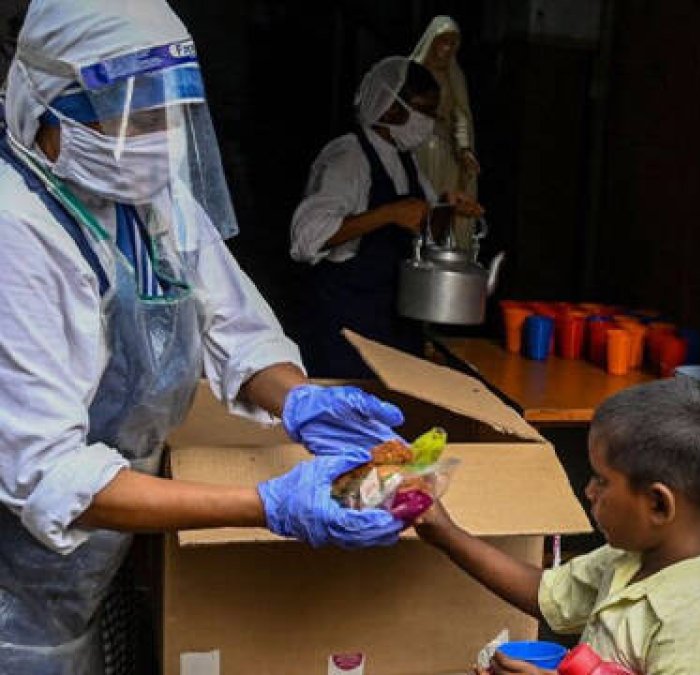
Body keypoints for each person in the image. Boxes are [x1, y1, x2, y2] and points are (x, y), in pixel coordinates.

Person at [0, 2, 410, 672]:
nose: (156, 137)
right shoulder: (14, 230)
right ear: (47, 108)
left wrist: (299, 401)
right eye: (131, 111)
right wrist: (264, 504)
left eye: (166, 110)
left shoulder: (146, 194)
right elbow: (49, 473)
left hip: (86, 570)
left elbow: (233, 326)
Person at [414, 378, 700, 675]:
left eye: (602, 480)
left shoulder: (692, 629)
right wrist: (446, 535)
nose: (588, 491)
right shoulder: (633, 558)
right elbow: (550, 595)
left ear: (658, 505)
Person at [290, 55, 482, 376]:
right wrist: (387, 214)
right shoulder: (348, 157)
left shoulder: (405, 161)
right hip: (347, 328)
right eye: (425, 111)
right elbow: (306, 240)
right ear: (392, 107)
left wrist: (447, 209)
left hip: (393, 326)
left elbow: (428, 233)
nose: (431, 122)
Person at [411, 15, 481, 250]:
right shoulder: (415, 71)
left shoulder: (455, 76)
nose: (447, 48)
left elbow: (460, 115)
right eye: (443, 41)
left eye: (452, 43)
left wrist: (464, 149)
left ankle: (441, 248)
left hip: (445, 150)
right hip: (418, 147)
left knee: (447, 203)